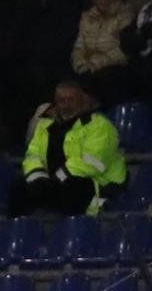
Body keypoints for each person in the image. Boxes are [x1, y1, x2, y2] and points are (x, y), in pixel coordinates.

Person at [14, 77, 124, 216]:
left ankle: (69, 232)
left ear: (81, 99)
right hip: (54, 183)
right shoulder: (45, 125)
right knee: (18, 187)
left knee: (73, 187)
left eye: (71, 99)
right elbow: (33, 155)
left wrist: (58, 177)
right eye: (61, 100)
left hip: (95, 184)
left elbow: (93, 162)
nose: (66, 104)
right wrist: (38, 178)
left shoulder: (99, 125)